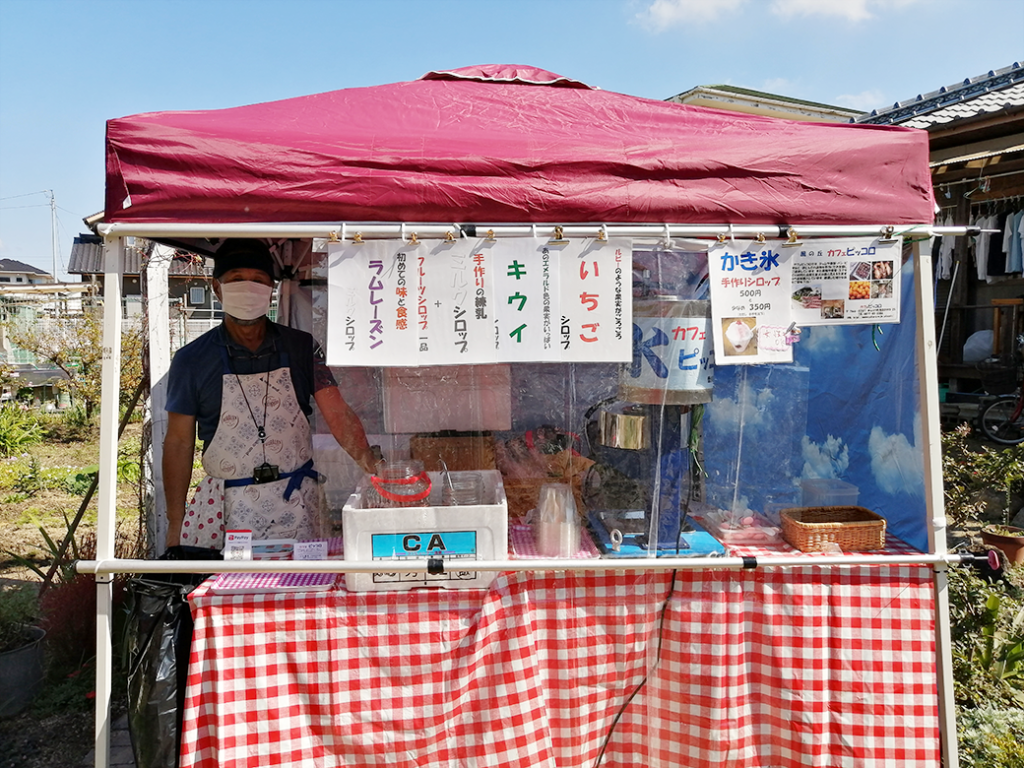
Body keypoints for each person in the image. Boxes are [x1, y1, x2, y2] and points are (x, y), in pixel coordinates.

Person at [163, 238, 378, 550]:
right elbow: (179, 442)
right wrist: (175, 524)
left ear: (272, 289)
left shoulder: (301, 347)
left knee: (306, 592)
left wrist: (374, 467)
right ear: (217, 288)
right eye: (237, 280)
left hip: (297, 504)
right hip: (227, 509)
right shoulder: (192, 359)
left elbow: (338, 414)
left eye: (258, 280)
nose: (248, 288)